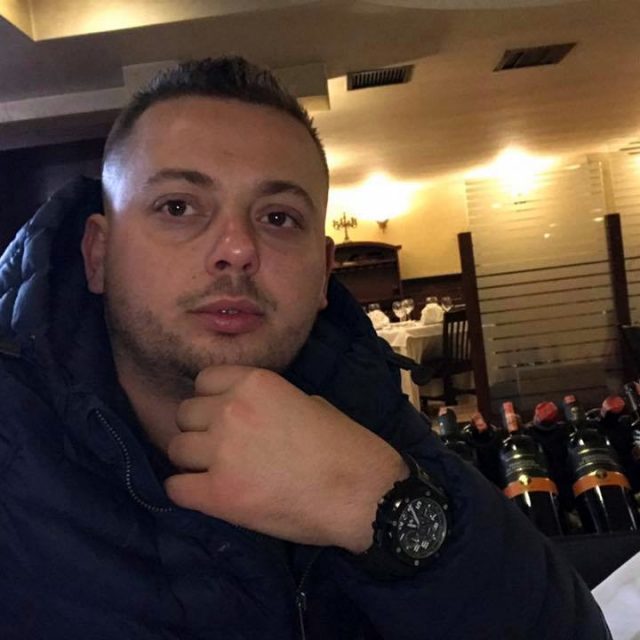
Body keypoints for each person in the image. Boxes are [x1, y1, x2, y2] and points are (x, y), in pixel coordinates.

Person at [0, 56, 610, 640]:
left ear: (322, 274)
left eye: (278, 218)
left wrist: (377, 502)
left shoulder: (364, 407)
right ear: (99, 255)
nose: (237, 249)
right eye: (178, 207)